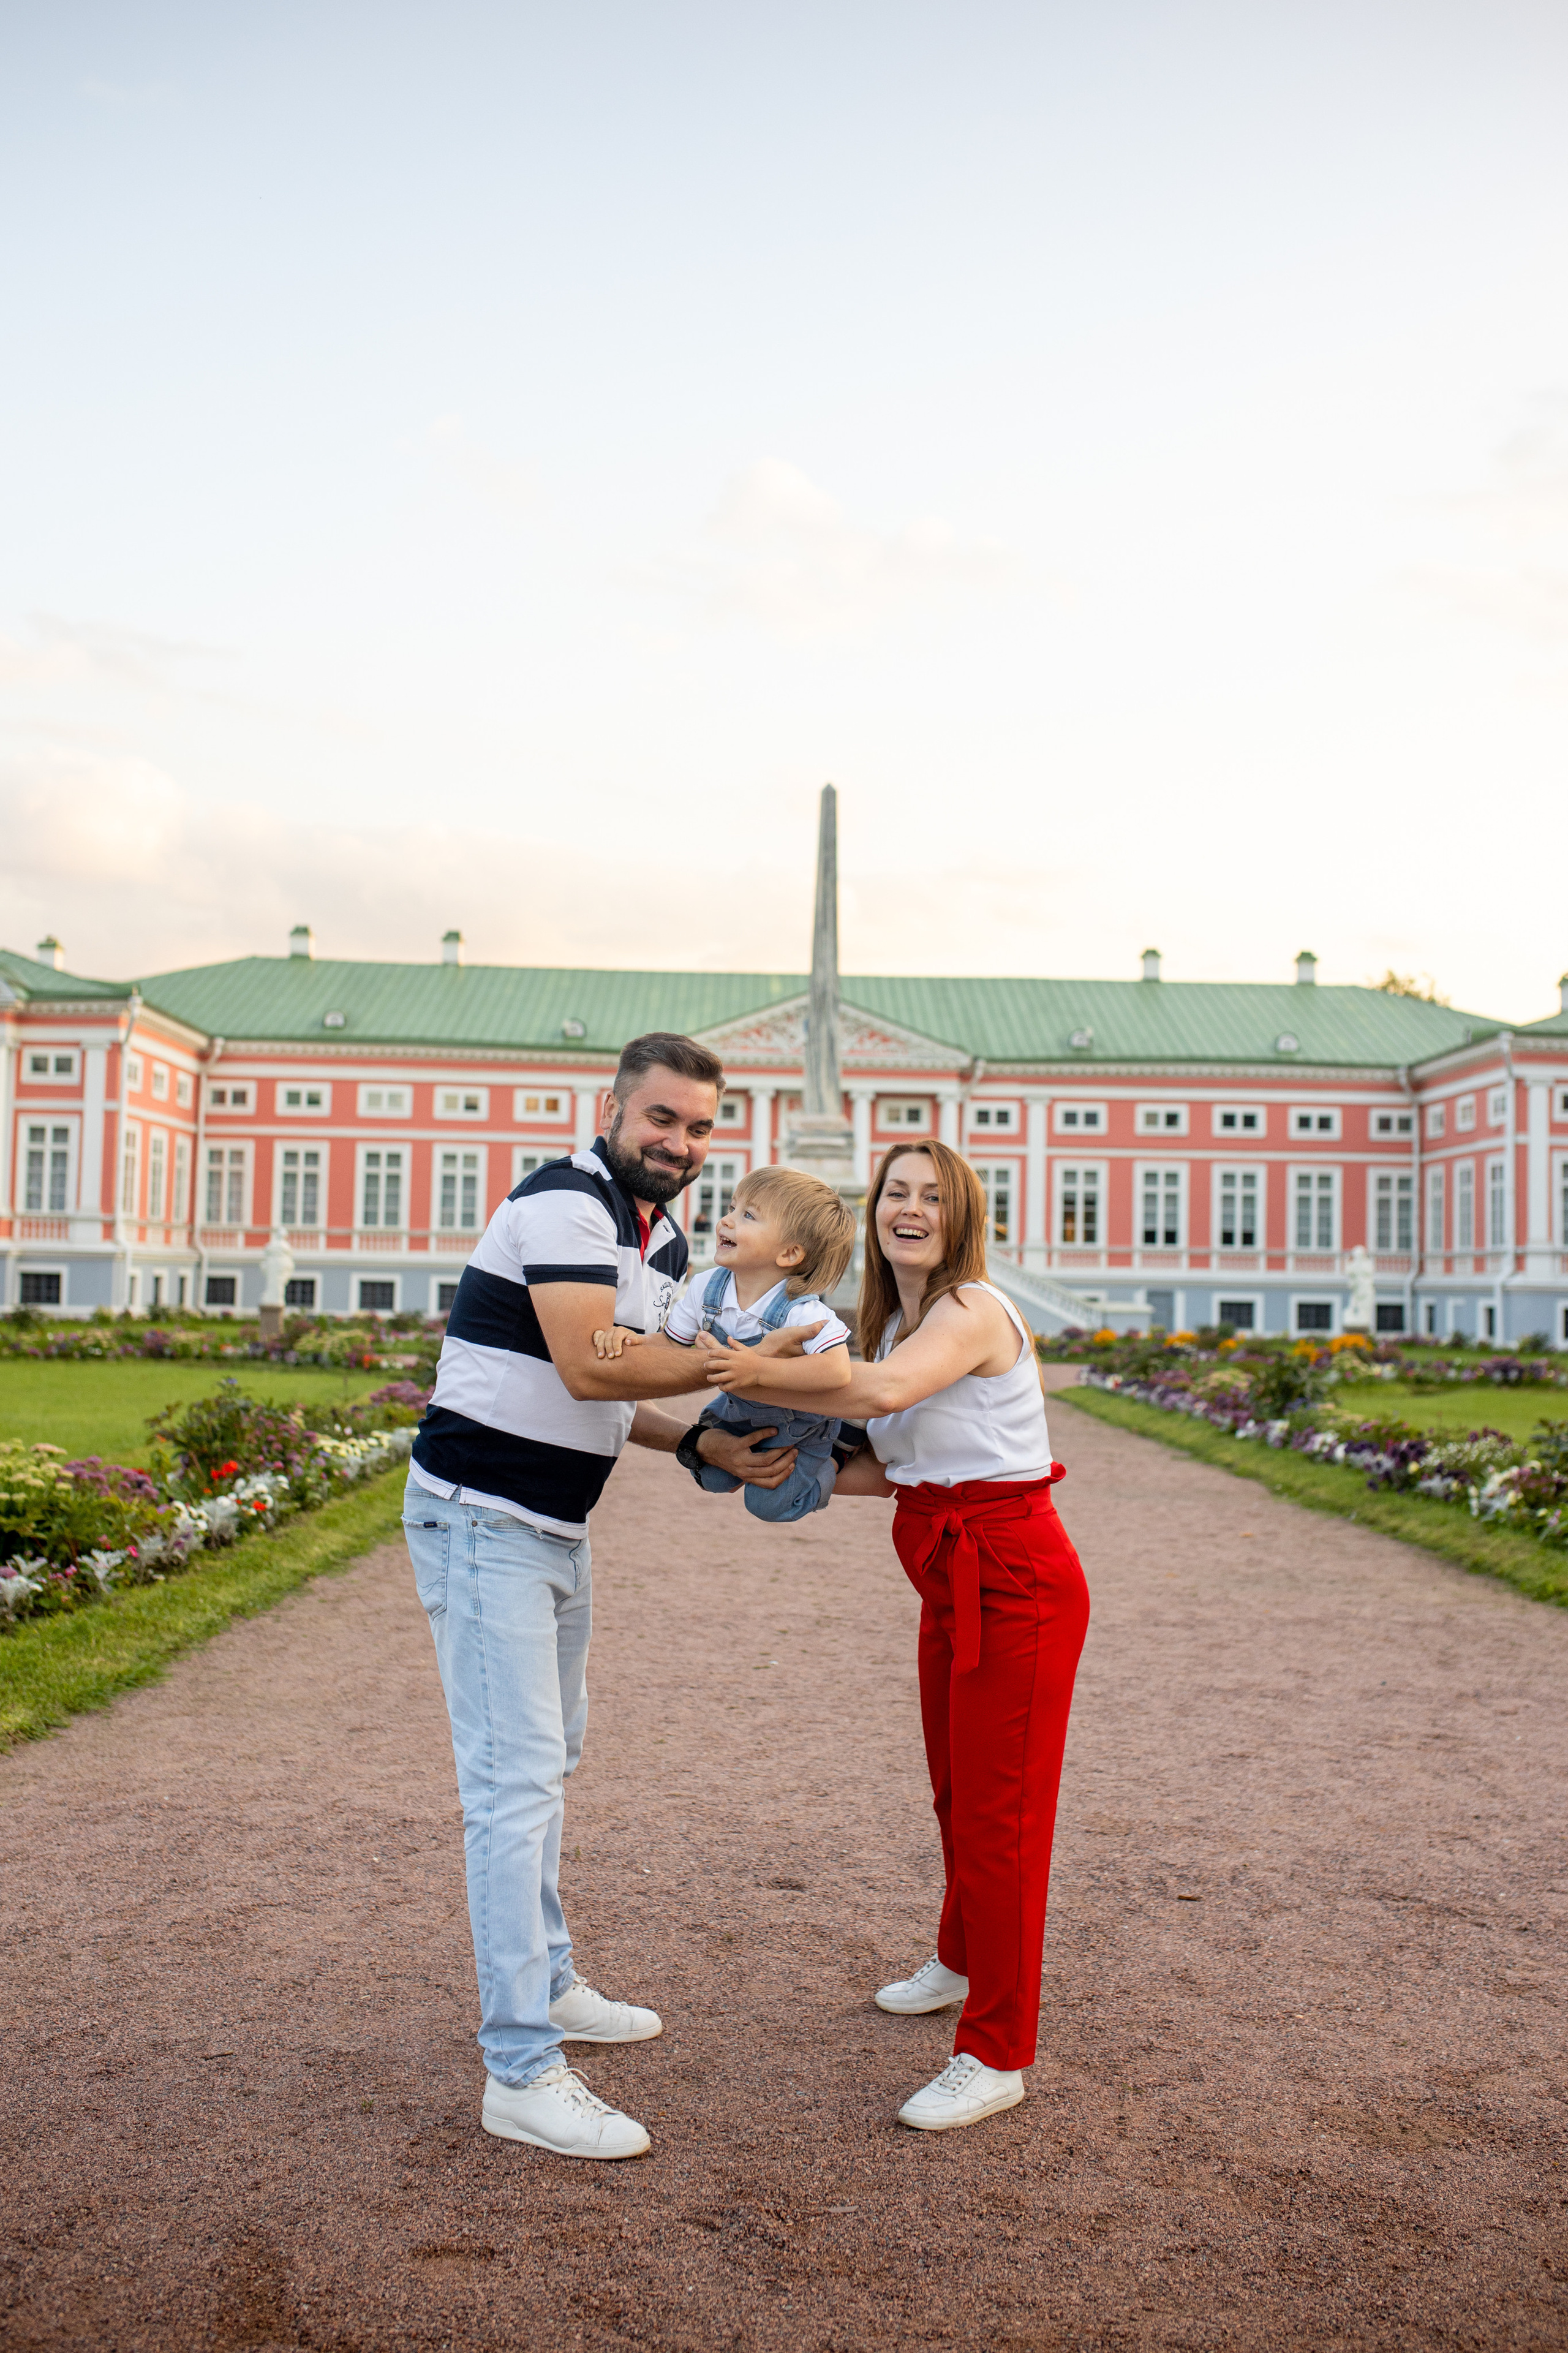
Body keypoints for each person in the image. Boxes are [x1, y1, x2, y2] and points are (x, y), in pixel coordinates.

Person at [402, 1032, 801, 2162]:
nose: (680, 1144)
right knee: (514, 1782)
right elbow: (594, 1362)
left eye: (700, 1129)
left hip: (548, 1524)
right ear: (615, 1109)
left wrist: (702, 1448)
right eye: (662, 1119)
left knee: (550, 1759)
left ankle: (554, 1982)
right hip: (484, 1518)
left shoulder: (656, 1230)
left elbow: (621, 1396)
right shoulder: (563, 1205)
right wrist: (756, 1363)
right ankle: (520, 2068)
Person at [699, 1138, 1090, 2134]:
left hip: (1013, 1579)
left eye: (931, 1196)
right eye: (894, 1194)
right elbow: (895, 1464)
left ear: (961, 1218)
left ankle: (997, 2051)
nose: (908, 1208)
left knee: (1003, 1823)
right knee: (961, 1794)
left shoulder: (968, 1311)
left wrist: (739, 1364)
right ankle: (963, 1962)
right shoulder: (894, 1322)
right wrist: (776, 1470)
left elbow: (875, 1400)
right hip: (950, 1573)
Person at [591, 1165, 856, 1520]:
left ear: (789, 1255)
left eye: (747, 1215)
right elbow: (672, 1345)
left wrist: (759, 1368)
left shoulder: (802, 1311)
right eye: (732, 1208)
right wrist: (633, 1341)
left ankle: (839, 1452)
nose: (726, 1220)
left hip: (800, 1428)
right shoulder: (706, 1287)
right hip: (739, 1413)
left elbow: (837, 1370)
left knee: (770, 1507)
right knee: (713, 1478)